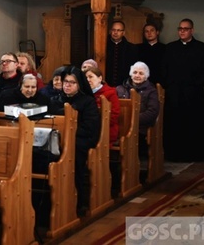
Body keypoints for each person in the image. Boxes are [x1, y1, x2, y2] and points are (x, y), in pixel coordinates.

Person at [49, 66, 100, 217]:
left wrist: (69, 134)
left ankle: (79, 202)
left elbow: (89, 129)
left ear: (79, 85)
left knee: (74, 153)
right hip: (57, 140)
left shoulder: (88, 102)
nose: (67, 85)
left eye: (72, 82)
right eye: (65, 82)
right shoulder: (54, 100)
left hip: (81, 140)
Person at [161, 18, 204, 162]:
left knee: (194, 124)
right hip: (174, 94)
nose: (182, 31)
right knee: (174, 124)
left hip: (193, 94)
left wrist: (196, 85)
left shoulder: (202, 48)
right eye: (180, 29)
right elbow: (163, 69)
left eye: (185, 28)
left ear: (192, 30)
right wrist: (168, 85)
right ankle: (173, 154)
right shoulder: (170, 48)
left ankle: (196, 154)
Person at [116, 62, 159, 158]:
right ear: (131, 74)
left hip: (140, 128)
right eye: (135, 72)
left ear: (146, 76)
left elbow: (152, 112)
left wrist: (133, 120)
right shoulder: (119, 89)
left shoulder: (151, 92)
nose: (137, 75)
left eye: (141, 73)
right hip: (120, 126)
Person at [85, 67, 120, 145]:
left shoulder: (110, 93)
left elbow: (114, 115)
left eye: (91, 77)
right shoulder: (84, 94)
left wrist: (96, 125)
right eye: (86, 78)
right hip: (89, 130)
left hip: (106, 129)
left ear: (100, 78)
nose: (88, 80)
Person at [105, 20, 138, 87]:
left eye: (119, 30)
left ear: (123, 33)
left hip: (125, 84)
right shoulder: (103, 46)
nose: (115, 32)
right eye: (113, 30)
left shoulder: (131, 48)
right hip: (106, 83)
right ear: (110, 31)